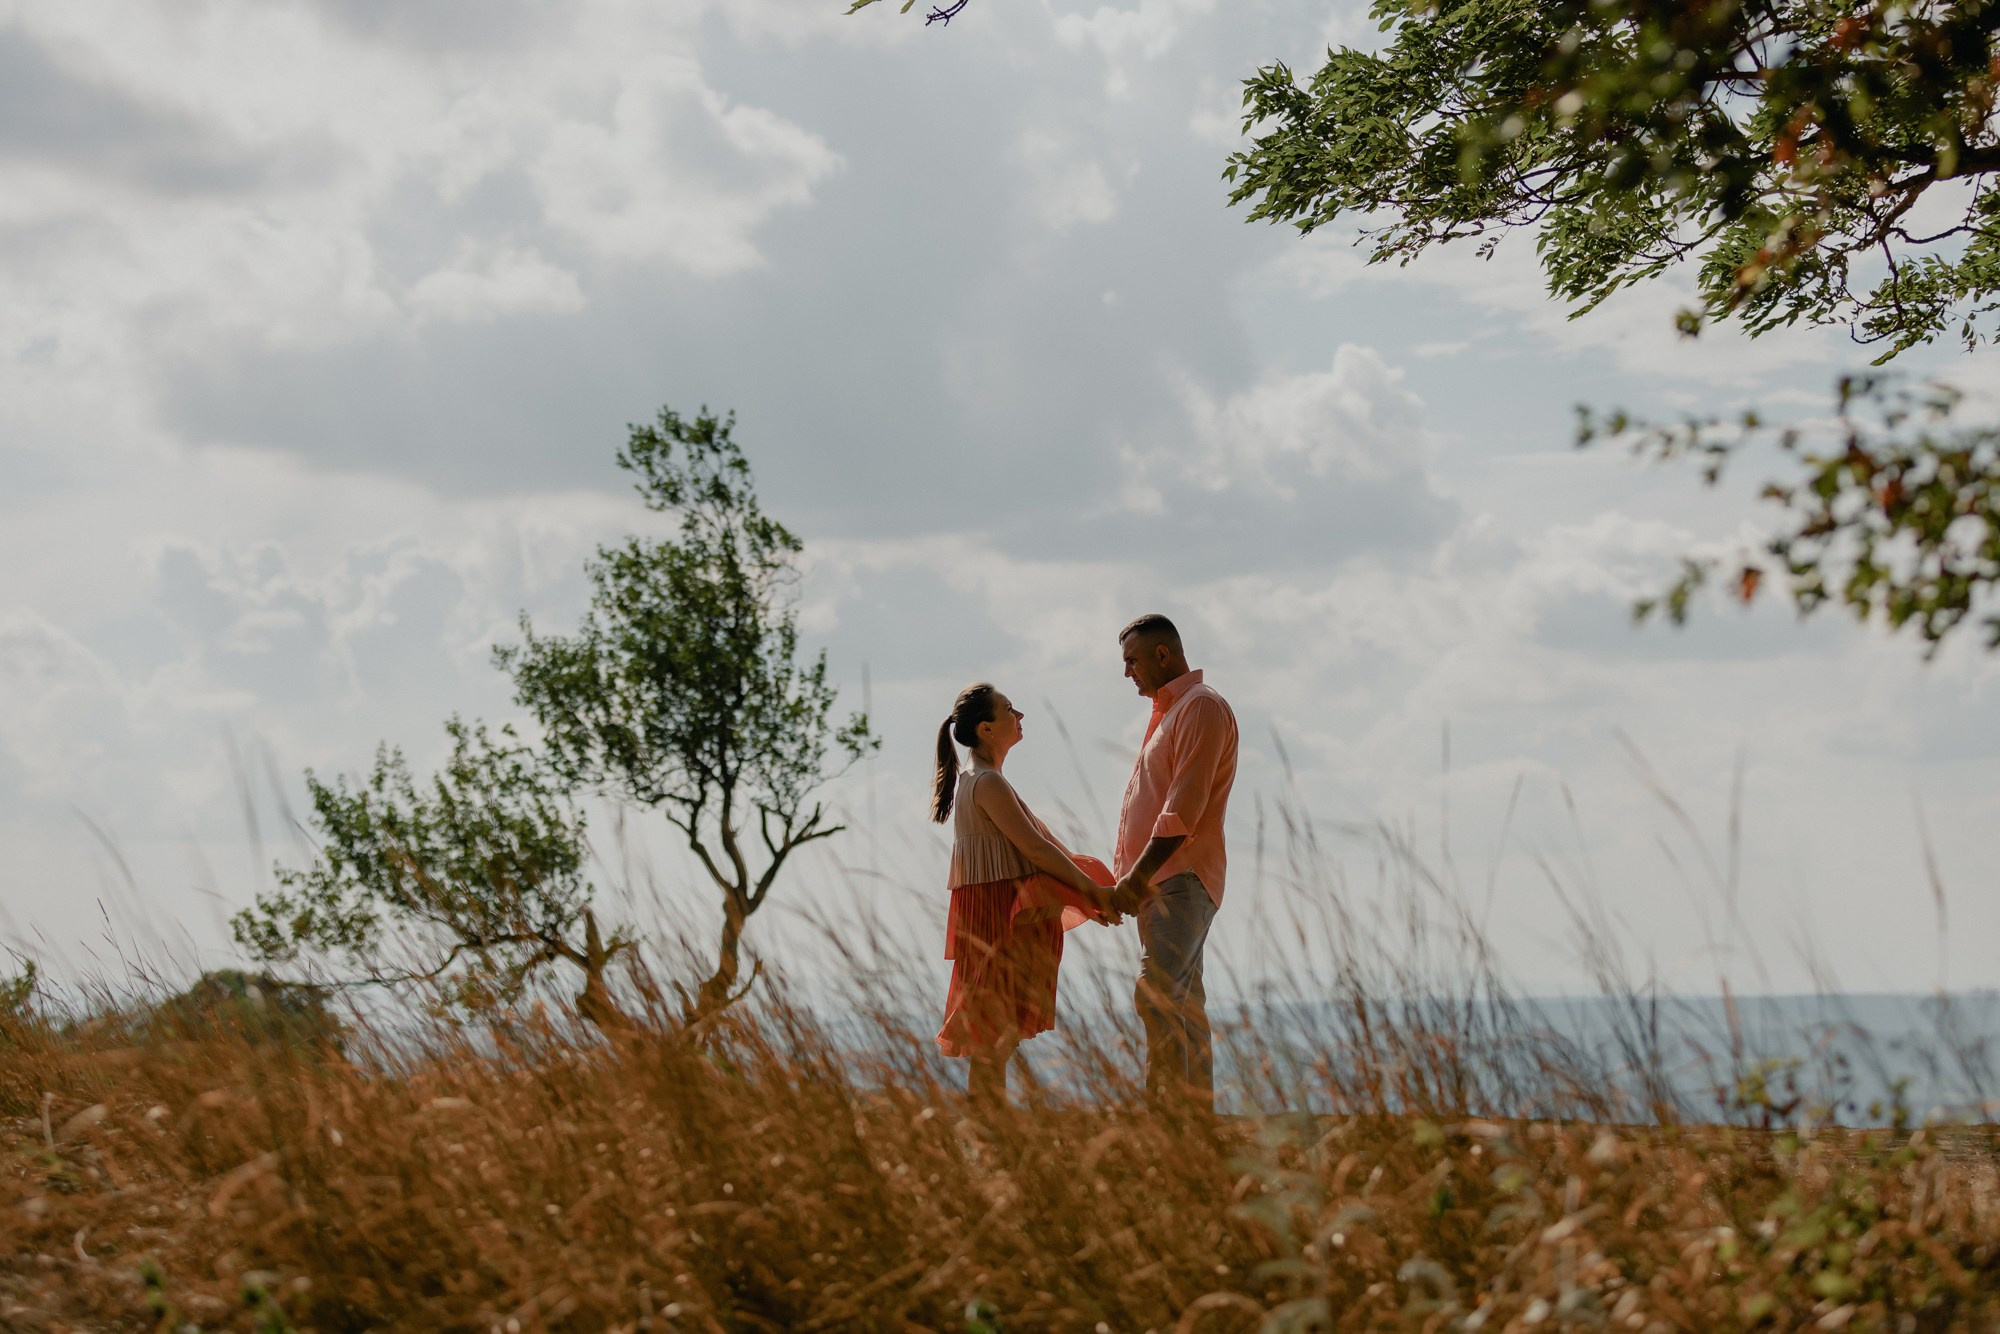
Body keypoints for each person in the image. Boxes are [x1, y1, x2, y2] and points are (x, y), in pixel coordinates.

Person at [932, 682, 1122, 1105]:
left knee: (993, 1037)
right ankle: (988, 1132)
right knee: (993, 1038)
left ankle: (988, 1131)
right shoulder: (986, 783)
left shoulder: (982, 780)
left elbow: (1048, 847)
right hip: (1002, 914)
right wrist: (1094, 893)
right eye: (1009, 709)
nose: (1020, 716)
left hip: (997, 910)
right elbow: (1036, 849)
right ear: (986, 728)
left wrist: (1094, 893)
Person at [1111, 614, 1238, 1115]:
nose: (1127, 674)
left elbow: (1181, 812)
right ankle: (1192, 1125)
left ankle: (1167, 1124)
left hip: (1179, 881)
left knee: (1157, 995)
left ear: (1163, 655)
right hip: (1161, 886)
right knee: (1181, 1005)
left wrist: (1136, 877)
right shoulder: (1171, 711)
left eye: (1132, 661)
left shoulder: (1200, 708)